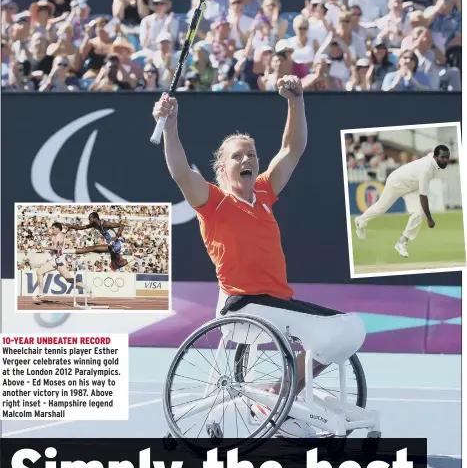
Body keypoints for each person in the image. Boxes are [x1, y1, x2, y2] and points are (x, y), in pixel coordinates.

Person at [152, 75, 346, 438]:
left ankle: (277, 394)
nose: (247, 159)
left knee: (338, 337)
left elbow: (293, 148)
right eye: (237, 156)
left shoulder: (264, 192)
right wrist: (170, 125)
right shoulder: (213, 202)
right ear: (222, 168)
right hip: (245, 305)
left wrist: (296, 100)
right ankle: (277, 401)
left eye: (251, 154)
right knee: (342, 330)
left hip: (277, 304)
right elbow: (180, 170)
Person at [355, 146, 450, 258]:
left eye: (447, 157)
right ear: (435, 156)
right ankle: (360, 220)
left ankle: (402, 242)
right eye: (442, 157)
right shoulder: (427, 169)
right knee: (381, 208)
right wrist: (429, 218)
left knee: (418, 213)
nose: (445, 160)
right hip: (397, 182)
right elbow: (423, 196)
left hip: (411, 186)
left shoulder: (434, 161)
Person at [33, 222, 92, 302]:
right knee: (39, 272)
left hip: (59, 261)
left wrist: (45, 247)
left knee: (69, 280)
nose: (52, 230)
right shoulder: (58, 235)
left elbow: (56, 247)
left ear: (57, 228)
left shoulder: (59, 236)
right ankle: (41, 292)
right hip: (54, 260)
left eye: (53, 228)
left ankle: (88, 289)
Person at [62, 212, 130, 271]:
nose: (89, 221)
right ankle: (123, 262)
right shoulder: (94, 225)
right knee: (115, 265)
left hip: (116, 244)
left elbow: (121, 225)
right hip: (112, 245)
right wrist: (71, 226)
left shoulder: (105, 223)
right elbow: (81, 227)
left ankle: (66, 251)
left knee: (89, 248)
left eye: (90, 219)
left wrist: (117, 236)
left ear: (95, 218)